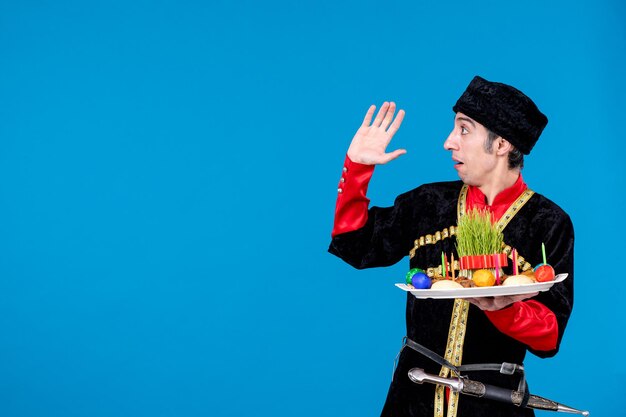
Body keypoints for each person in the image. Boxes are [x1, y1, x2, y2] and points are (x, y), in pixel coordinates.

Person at [328, 76, 574, 417]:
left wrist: (502, 309)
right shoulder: (427, 202)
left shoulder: (548, 222)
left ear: (501, 143)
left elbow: (549, 336)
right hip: (412, 399)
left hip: (493, 403)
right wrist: (357, 168)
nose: (448, 142)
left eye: (464, 129)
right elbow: (354, 245)